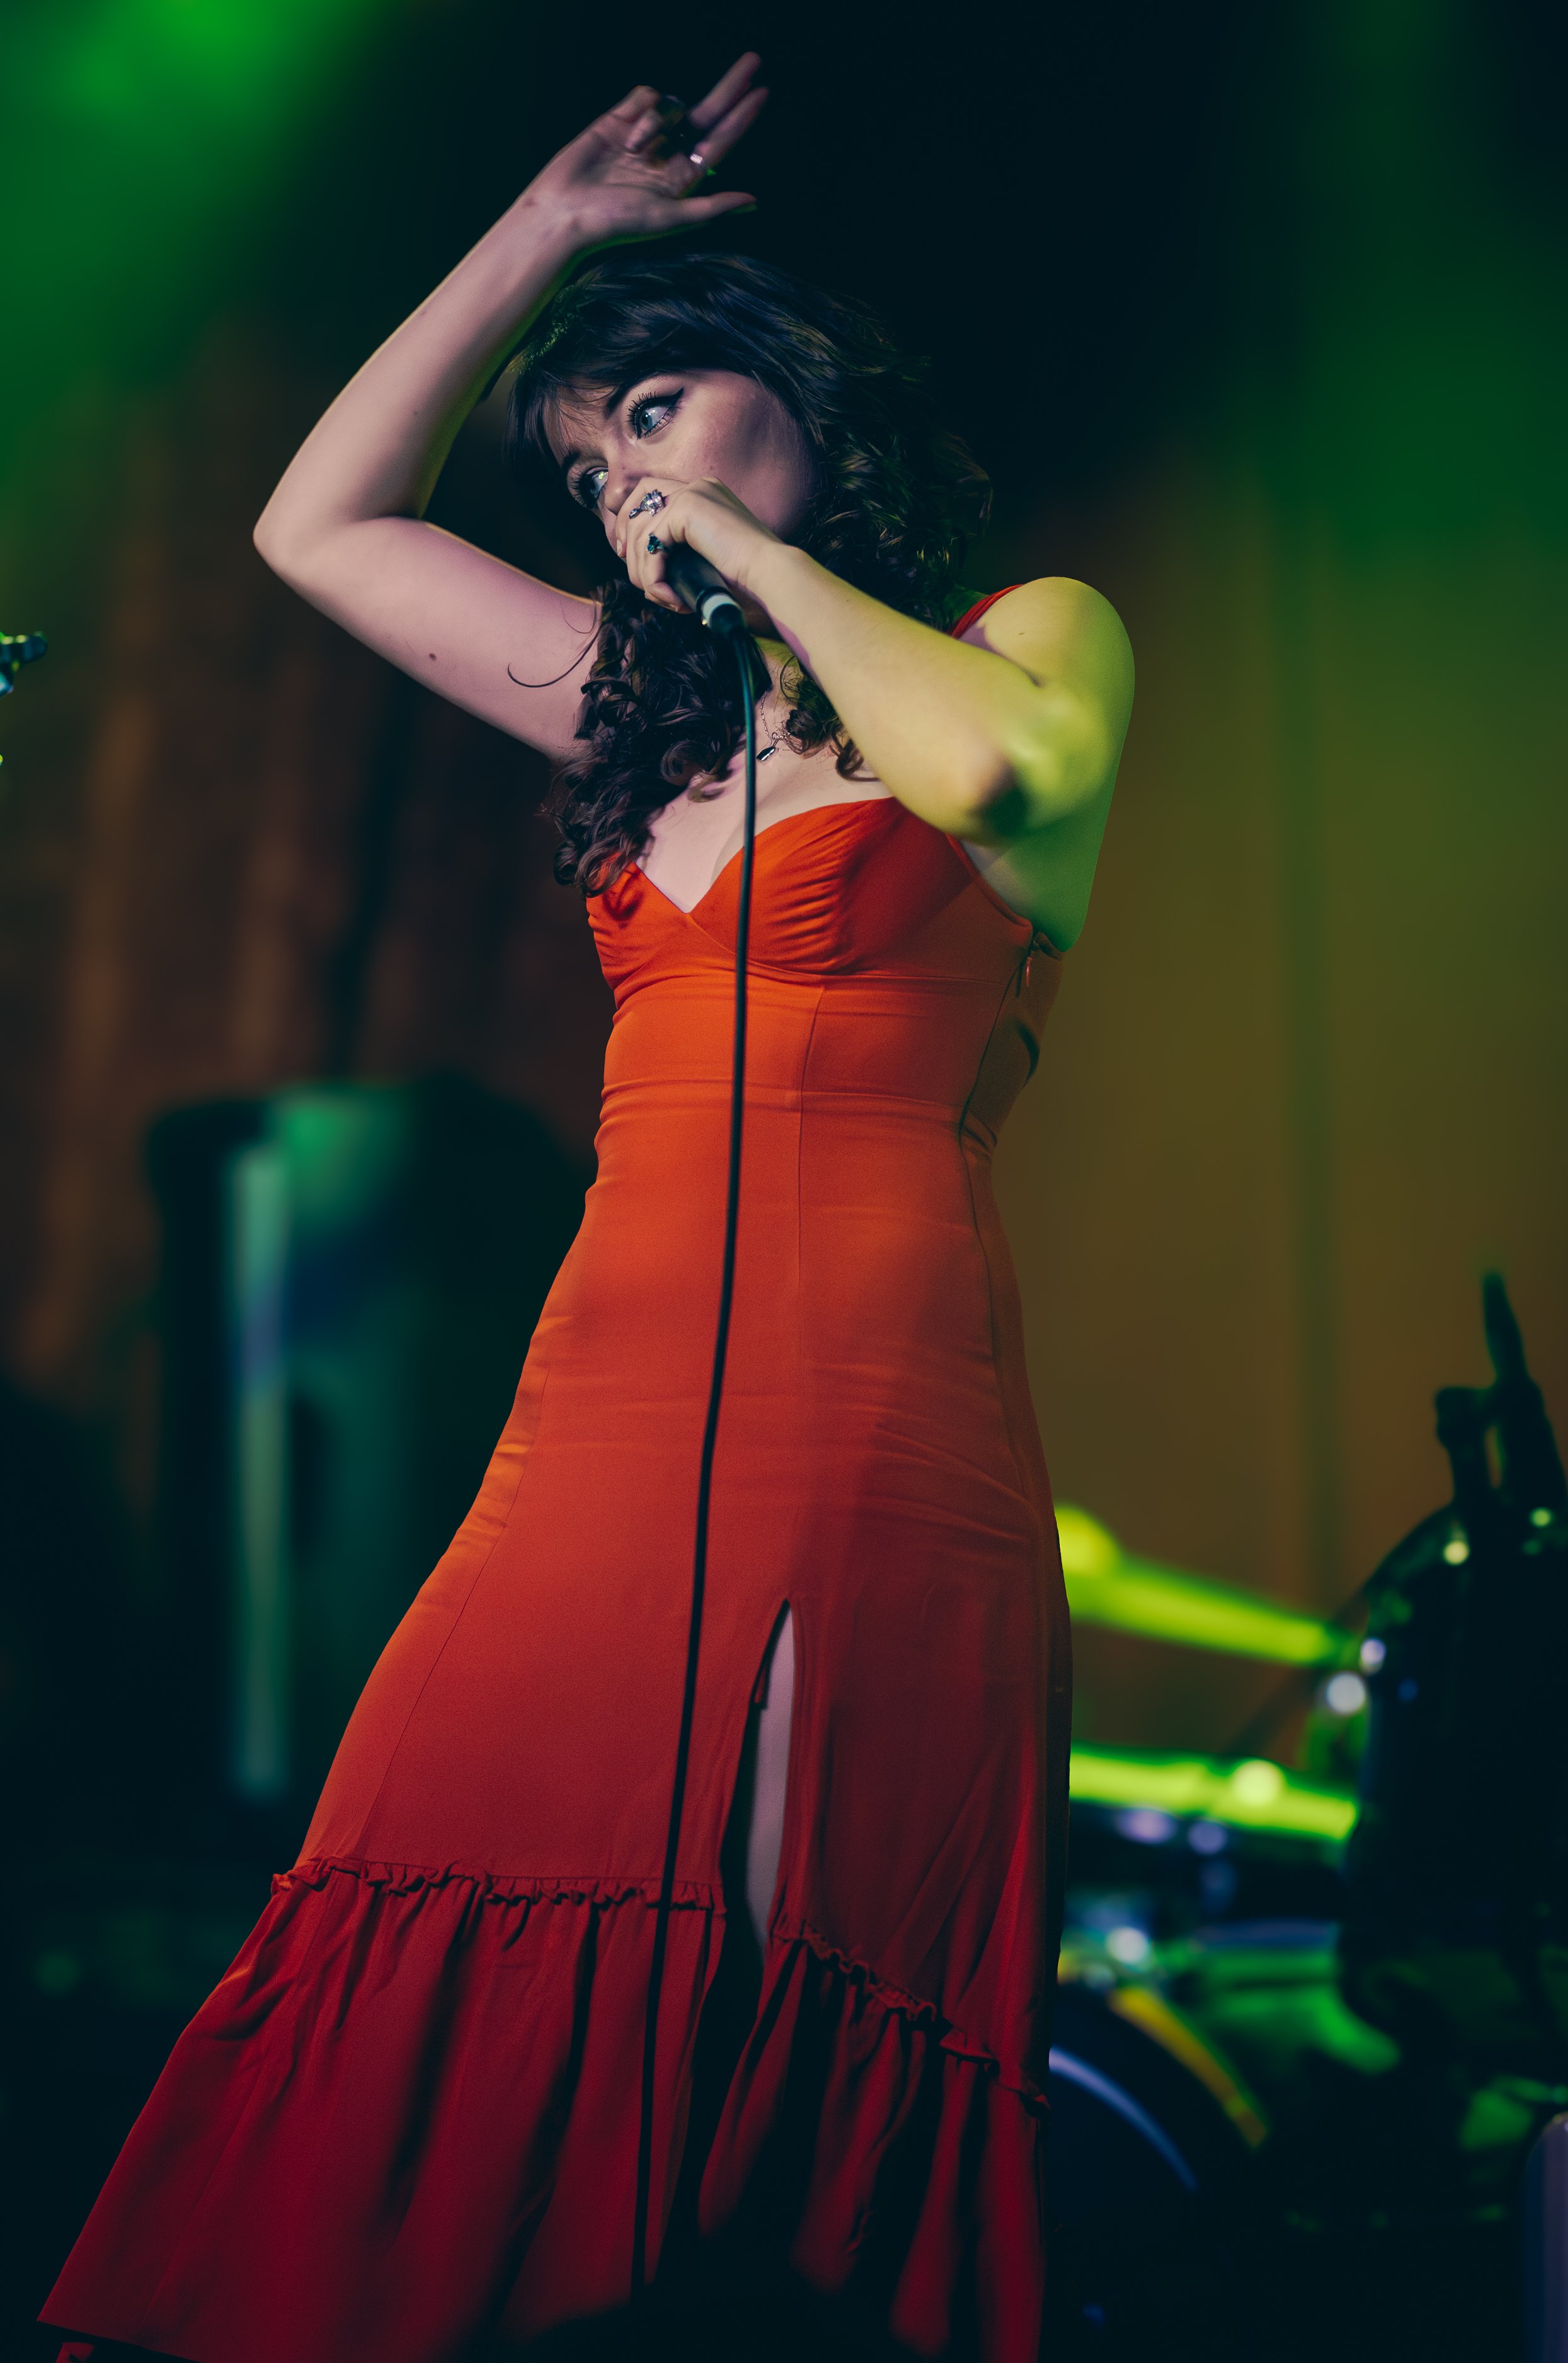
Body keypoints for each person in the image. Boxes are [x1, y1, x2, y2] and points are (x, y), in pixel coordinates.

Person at [45, 53, 1133, 2363]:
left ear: (801, 396)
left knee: (775, 1920)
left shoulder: (1033, 632)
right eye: (587, 465)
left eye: (656, 410)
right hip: (602, 1407)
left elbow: (995, 775)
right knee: (471, 1841)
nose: (622, 480)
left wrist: (744, 559)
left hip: (875, 1397)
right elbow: (316, 531)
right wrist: (541, 243)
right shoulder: (638, 725)